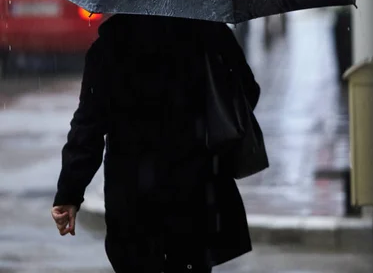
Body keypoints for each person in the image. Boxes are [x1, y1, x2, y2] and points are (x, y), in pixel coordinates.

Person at [51, 14, 260, 273]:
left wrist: (69, 193)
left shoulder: (110, 45)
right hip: (195, 191)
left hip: (132, 197)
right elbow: (247, 91)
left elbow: (88, 127)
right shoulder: (209, 33)